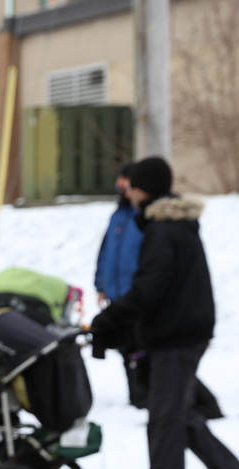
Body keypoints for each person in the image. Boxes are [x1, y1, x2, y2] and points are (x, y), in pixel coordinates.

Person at [90, 156, 239, 469]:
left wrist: (109, 320)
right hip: (180, 332)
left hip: (175, 336)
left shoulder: (163, 231)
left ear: (143, 188)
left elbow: (150, 289)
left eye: (131, 185)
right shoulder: (171, 226)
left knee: (165, 420)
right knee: (175, 414)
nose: (127, 192)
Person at [94, 162, 148, 408]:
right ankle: (135, 395)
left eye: (122, 180)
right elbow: (106, 252)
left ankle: (145, 394)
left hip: (137, 296)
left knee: (141, 347)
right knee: (124, 347)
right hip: (116, 296)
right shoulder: (118, 215)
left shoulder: (143, 216)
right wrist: (101, 285)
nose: (119, 186)